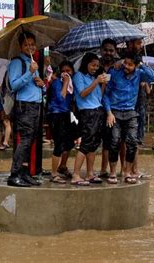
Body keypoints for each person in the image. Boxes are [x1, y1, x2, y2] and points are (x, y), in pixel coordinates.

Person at [103, 52, 154, 184]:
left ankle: (127, 172)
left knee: (132, 142)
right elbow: (105, 95)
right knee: (114, 141)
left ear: (136, 65)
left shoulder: (139, 73)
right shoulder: (115, 72)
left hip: (130, 113)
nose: (126, 66)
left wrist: (142, 65)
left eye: (130, 64)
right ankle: (112, 173)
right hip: (115, 112)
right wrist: (109, 112)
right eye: (125, 63)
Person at [7, 31, 45, 187]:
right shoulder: (17, 63)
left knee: (31, 140)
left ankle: (24, 173)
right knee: (25, 140)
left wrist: (42, 85)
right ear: (21, 46)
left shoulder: (33, 63)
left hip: (36, 105)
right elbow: (13, 85)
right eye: (26, 44)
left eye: (32, 44)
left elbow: (36, 86)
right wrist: (29, 72)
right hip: (24, 106)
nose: (30, 47)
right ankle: (14, 174)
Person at [71, 52, 107, 186]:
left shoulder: (94, 78)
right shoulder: (79, 76)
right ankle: (75, 174)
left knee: (93, 144)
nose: (95, 68)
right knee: (86, 143)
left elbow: (99, 97)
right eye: (93, 65)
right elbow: (83, 93)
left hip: (98, 111)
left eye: (97, 66)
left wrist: (103, 84)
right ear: (86, 64)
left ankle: (90, 173)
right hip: (87, 112)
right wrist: (96, 81)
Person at [47, 61, 76, 184]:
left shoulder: (72, 85)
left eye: (68, 71)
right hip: (56, 114)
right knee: (58, 144)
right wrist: (65, 83)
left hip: (67, 114)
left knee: (69, 143)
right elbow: (61, 97)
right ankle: (53, 173)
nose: (66, 73)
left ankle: (62, 165)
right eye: (63, 71)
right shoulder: (57, 83)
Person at [99, 38, 119, 179]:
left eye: (111, 50)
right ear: (101, 50)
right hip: (94, 107)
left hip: (112, 109)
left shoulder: (118, 67)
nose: (108, 53)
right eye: (106, 50)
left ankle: (103, 169)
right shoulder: (94, 65)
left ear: (115, 52)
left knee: (110, 140)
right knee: (92, 140)